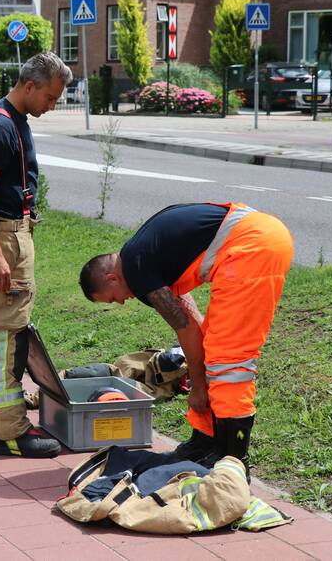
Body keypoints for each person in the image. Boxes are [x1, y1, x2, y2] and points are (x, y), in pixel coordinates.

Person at [78, 203, 293, 476]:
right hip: (257, 238)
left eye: (112, 298)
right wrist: (200, 372)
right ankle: (205, 443)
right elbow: (192, 326)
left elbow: (186, 330)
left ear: (111, 278)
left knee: (228, 361)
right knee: (213, 347)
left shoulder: (137, 271)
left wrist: (199, 388)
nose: (120, 302)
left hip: (252, 248)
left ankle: (234, 461)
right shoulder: (142, 255)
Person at [0, 52, 71, 458]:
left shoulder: (10, 119)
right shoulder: (0, 127)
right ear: (29, 86)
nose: (52, 105)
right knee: (5, 333)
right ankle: (10, 431)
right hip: (6, 236)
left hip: (3, 234)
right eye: (50, 97)